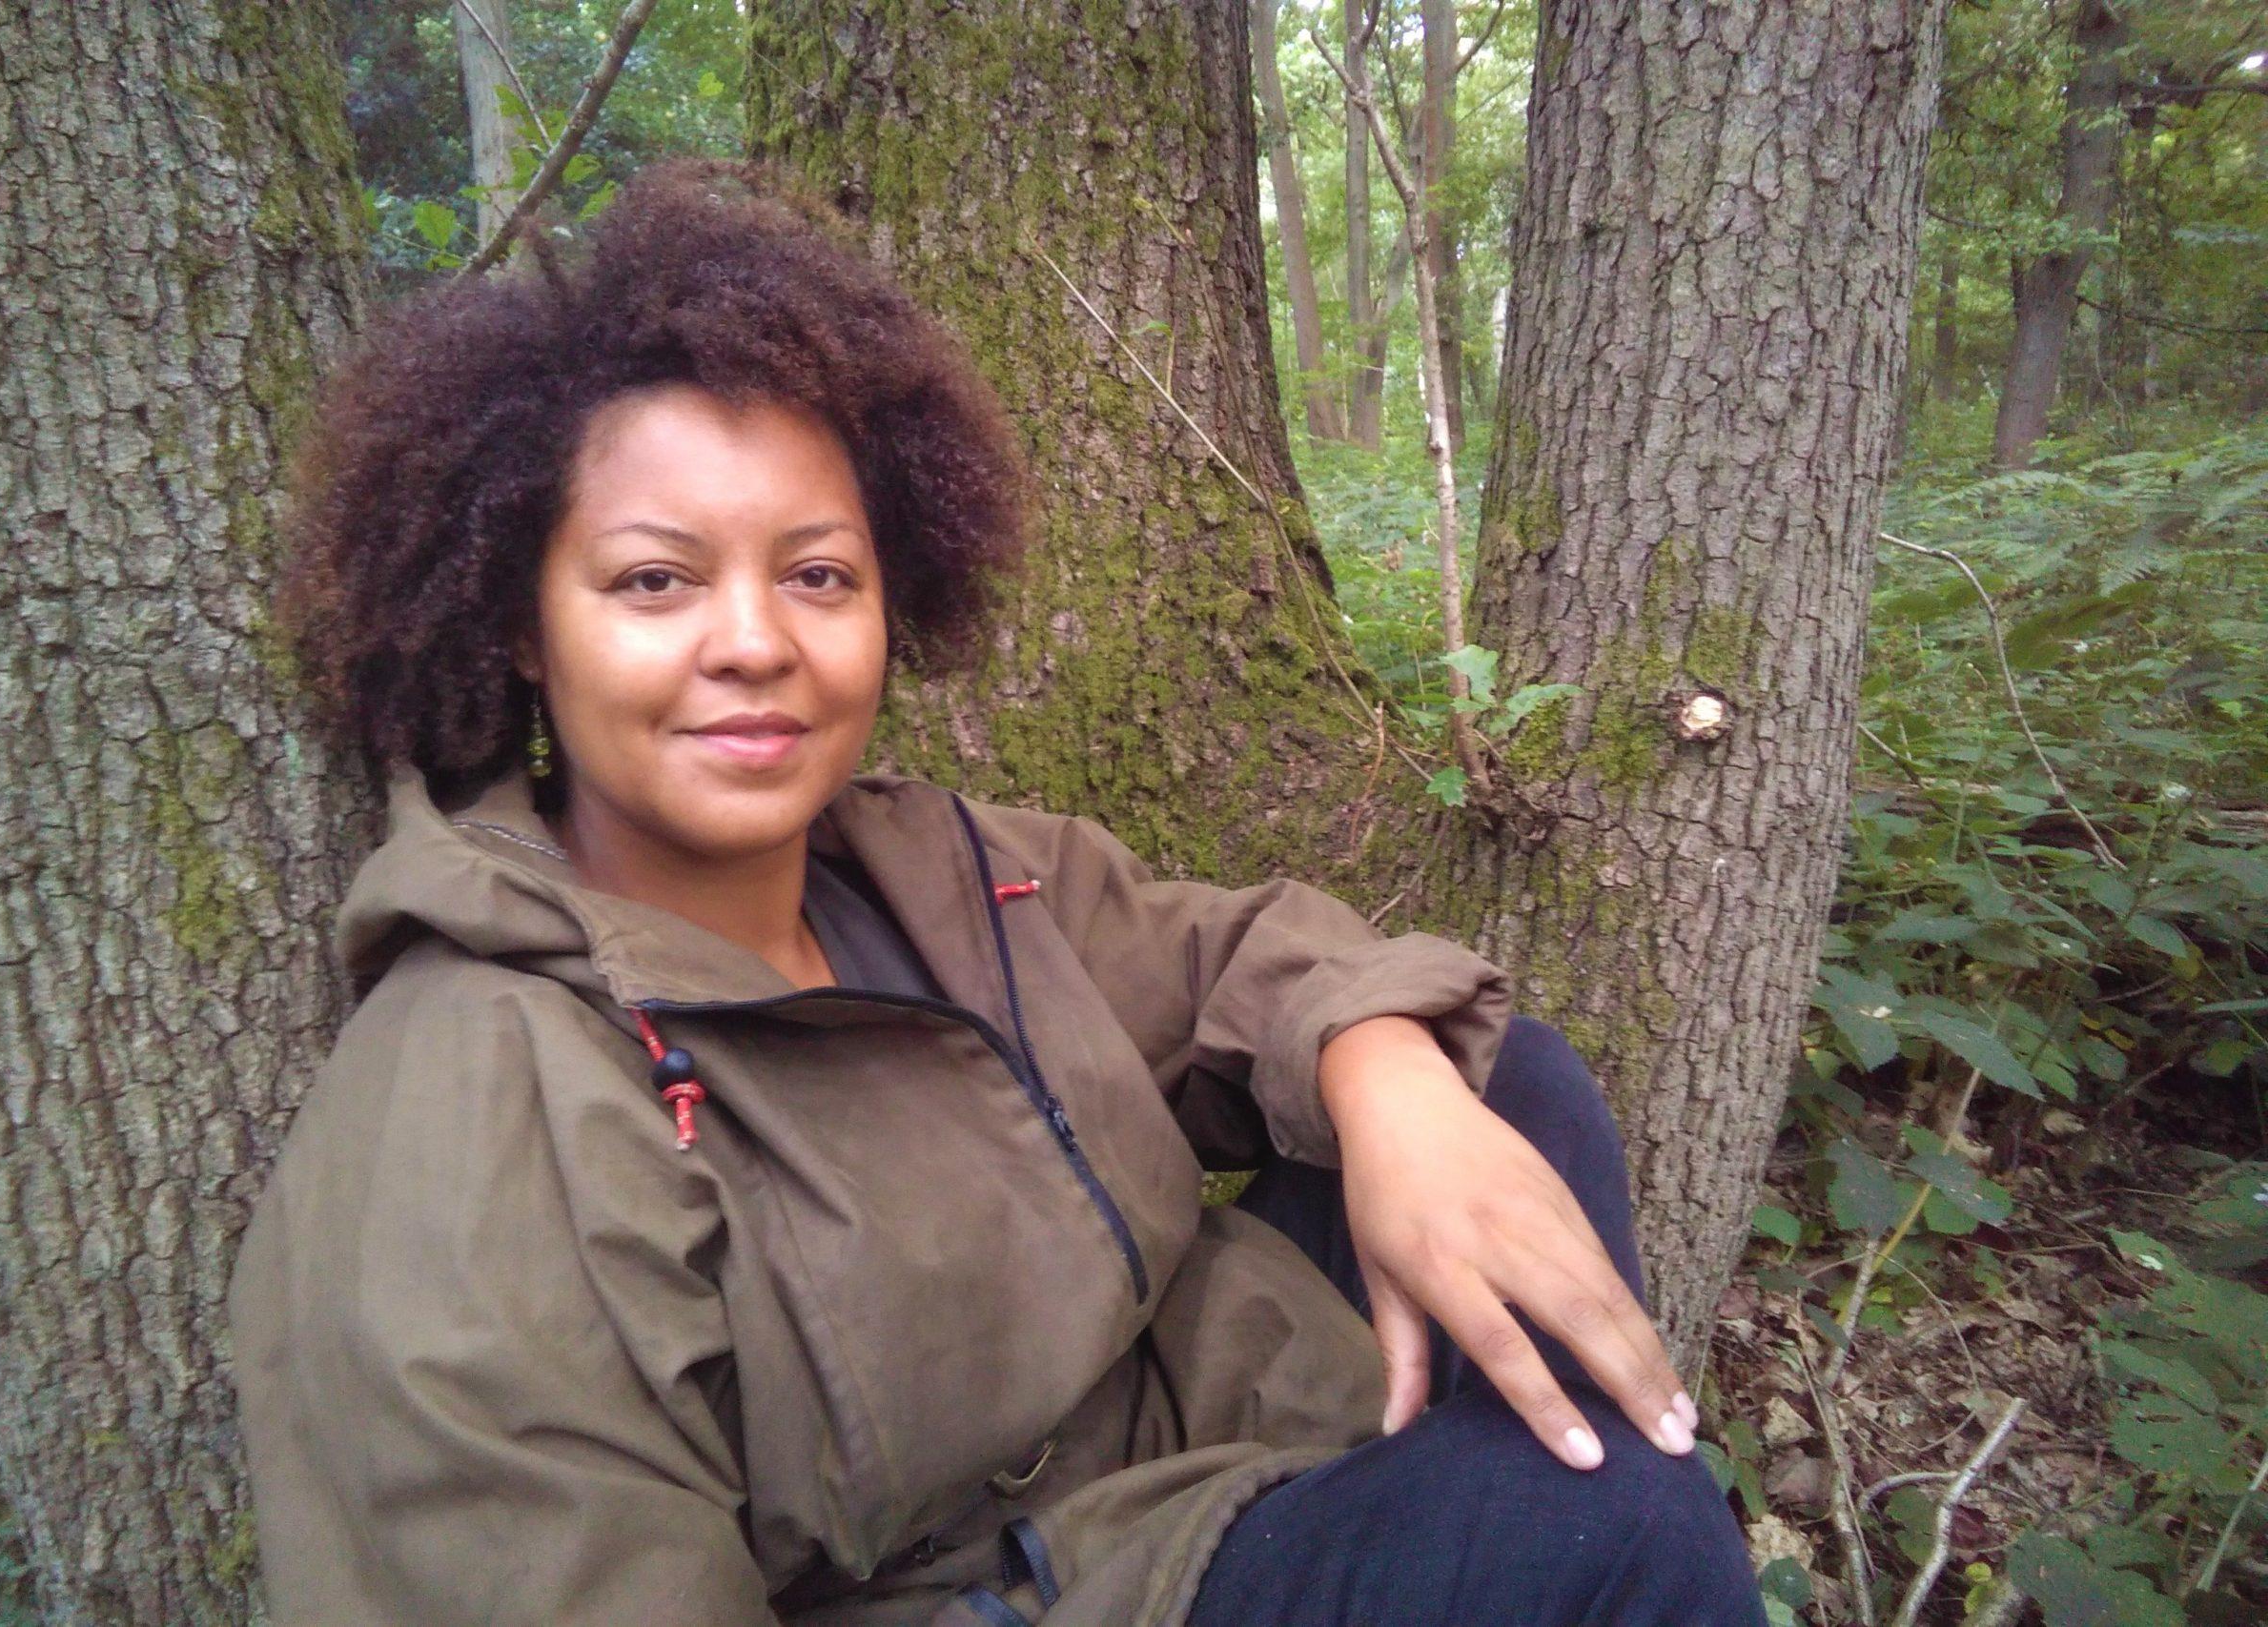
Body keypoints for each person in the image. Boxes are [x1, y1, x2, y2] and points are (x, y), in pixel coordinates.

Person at [228, 160, 1767, 1626]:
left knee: (1499, 1091)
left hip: (1206, 1447)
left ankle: (1548, 1498)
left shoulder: (934, 866)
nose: (755, 641)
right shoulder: (475, 1108)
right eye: (656, 581)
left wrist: (1390, 1091)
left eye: (819, 575)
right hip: (1021, 1595)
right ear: (516, 629)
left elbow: (1244, 954)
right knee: (1623, 1539)